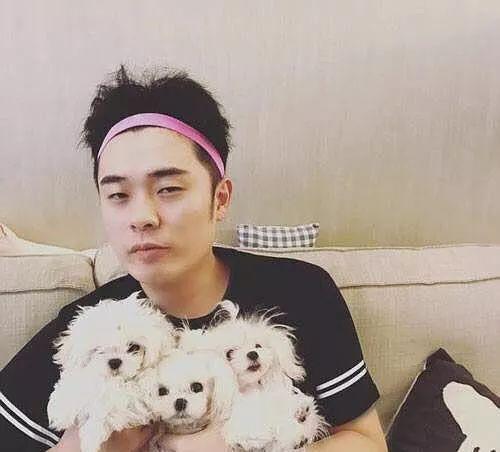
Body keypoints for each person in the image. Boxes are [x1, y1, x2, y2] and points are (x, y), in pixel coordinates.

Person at [0, 65, 388, 452]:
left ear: (220, 199)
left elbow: (367, 443)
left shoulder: (300, 291)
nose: (142, 217)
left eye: (168, 189)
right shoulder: (88, 335)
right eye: (118, 195)